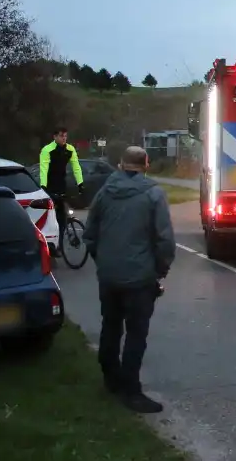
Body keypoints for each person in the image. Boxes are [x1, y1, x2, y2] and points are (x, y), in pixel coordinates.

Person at [83, 146, 175, 414]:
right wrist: (159, 270)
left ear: (121, 164)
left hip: (108, 276)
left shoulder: (104, 192)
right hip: (139, 278)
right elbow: (165, 240)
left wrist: (103, 261)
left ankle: (110, 380)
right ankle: (131, 391)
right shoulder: (153, 194)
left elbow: (90, 233)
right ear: (146, 165)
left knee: (110, 327)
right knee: (136, 334)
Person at [39, 127, 84, 248]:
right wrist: (43, 186)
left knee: (63, 216)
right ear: (55, 137)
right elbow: (43, 169)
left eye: (65, 136)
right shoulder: (47, 150)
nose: (64, 138)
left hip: (62, 184)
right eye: (61, 136)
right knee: (51, 215)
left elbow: (76, 167)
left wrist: (80, 183)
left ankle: (59, 243)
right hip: (50, 185)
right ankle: (50, 242)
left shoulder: (70, 149)